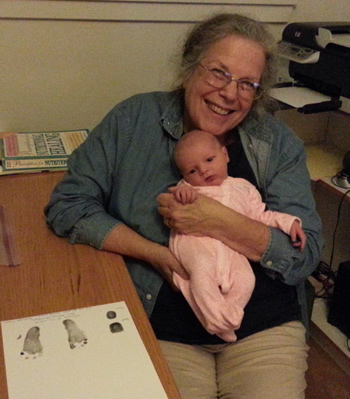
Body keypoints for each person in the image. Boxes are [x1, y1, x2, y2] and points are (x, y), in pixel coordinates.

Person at [44, 13, 323, 399]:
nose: (230, 93)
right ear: (190, 67)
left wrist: (220, 220)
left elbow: (304, 255)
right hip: (164, 324)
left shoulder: (278, 144)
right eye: (219, 73)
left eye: (247, 84)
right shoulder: (133, 120)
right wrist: (155, 254)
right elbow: (69, 205)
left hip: (263, 329)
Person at [170, 129, 306, 342]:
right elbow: (173, 205)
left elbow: (261, 216)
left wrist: (289, 223)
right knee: (201, 272)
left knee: (245, 278)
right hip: (196, 243)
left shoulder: (243, 187)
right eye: (192, 171)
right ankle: (214, 319)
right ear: (184, 176)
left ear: (225, 154)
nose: (204, 171)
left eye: (209, 159)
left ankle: (231, 312)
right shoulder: (189, 188)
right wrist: (182, 193)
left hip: (232, 247)